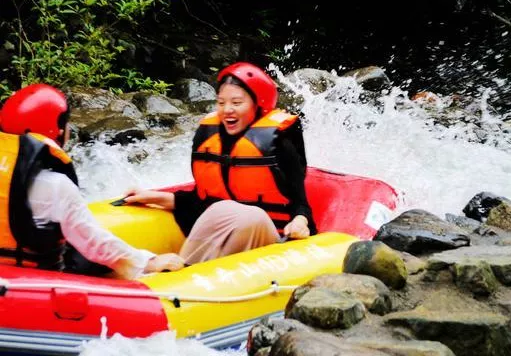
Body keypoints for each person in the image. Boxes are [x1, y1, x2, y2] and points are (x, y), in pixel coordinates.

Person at [124, 62, 316, 264]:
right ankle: (182, 269)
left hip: (275, 238)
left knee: (245, 215)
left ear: (257, 104)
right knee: (221, 210)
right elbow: (201, 202)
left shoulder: (280, 144)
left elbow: (300, 204)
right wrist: (152, 197)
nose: (227, 110)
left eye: (236, 103)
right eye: (221, 103)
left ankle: (186, 268)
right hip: (233, 231)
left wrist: (300, 222)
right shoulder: (210, 138)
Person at [0, 83, 185, 278]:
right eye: (66, 124)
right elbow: (94, 243)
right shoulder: (55, 185)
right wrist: (148, 262)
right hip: (35, 289)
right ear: (58, 131)